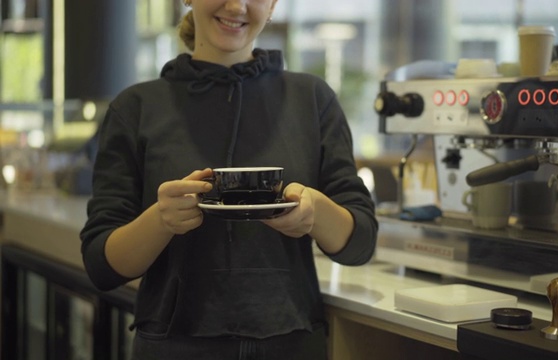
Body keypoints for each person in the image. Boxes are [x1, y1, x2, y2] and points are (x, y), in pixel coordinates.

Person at [79, 0, 378, 359]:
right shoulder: (136, 108)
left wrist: (315, 212)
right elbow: (102, 264)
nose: (237, 5)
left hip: (293, 341)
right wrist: (161, 220)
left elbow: (361, 241)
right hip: (174, 344)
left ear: (272, 7)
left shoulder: (312, 100)